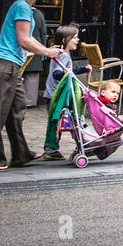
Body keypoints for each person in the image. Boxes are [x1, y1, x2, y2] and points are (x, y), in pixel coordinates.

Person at [0, 0, 63, 171]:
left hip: (11, 66)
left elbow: (25, 41)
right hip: (5, 65)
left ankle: (21, 154)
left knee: (17, 108)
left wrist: (47, 50)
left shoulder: (26, 9)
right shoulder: (22, 7)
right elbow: (24, 40)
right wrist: (47, 52)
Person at [42, 25, 83, 161]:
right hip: (56, 95)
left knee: (57, 121)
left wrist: (82, 69)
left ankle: (52, 148)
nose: (78, 40)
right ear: (65, 39)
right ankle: (51, 149)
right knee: (55, 121)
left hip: (57, 94)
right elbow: (57, 73)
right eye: (75, 37)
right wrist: (77, 70)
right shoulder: (63, 54)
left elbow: (67, 71)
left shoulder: (63, 53)